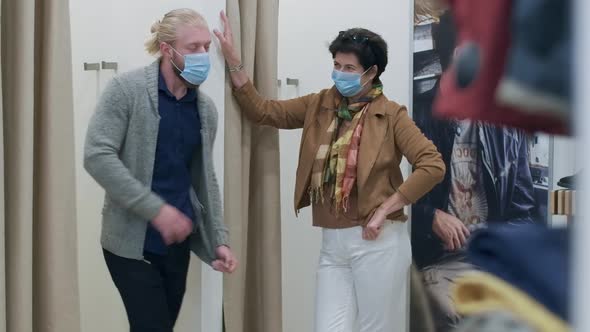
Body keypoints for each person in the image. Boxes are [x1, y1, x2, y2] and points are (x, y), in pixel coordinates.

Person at [214, 11, 445, 332]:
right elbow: (263, 111)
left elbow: (432, 165)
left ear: (371, 72)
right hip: (333, 244)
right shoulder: (320, 104)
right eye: (336, 65)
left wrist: (385, 210)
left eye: (349, 68)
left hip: (378, 242)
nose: (339, 74)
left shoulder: (391, 115)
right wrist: (234, 63)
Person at [84, 9, 238, 331]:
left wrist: (218, 239)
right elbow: (97, 156)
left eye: (206, 47)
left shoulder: (205, 110)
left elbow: (204, 179)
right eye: (193, 47)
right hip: (130, 245)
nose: (202, 55)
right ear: (168, 49)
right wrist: (157, 211)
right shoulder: (126, 90)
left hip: (177, 244)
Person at [411, 9, 537, 332]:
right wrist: (430, 217)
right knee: (452, 317)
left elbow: (522, 211)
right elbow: (387, 197)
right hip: (441, 261)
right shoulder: (415, 115)